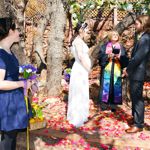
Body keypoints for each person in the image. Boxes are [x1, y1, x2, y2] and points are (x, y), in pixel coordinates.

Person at [0, 17, 32, 150]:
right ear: (10, 31)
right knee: (7, 142)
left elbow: (10, 76)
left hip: (13, 101)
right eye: (17, 29)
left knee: (12, 138)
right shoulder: (1, 55)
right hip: (7, 104)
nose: (19, 32)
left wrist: (26, 80)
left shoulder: (9, 52)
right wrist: (21, 84)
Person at [123, 15, 150, 133]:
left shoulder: (145, 39)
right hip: (136, 71)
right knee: (134, 95)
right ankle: (136, 118)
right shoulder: (143, 37)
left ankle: (138, 124)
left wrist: (128, 69)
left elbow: (138, 57)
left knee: (137, 98)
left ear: (143, 24)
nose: (135, 25)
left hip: (138, 71)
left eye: (137, 23)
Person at [67, 22, 91, 127]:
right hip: (80, 69)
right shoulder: (78, 41)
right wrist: (88, 68)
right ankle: (77, 117)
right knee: (79, 92)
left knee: (82, 91)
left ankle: (82, 114)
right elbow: (81, 56)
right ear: (81, 30)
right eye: (86, 29)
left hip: (81, 69)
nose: (87, 31)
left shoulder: (79, 40)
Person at [98, 30, 128, 112]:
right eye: (113, 34)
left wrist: (119, 57)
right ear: (110, 36)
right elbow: (100, 57)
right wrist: (108, 56)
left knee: (115, 86)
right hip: (107, 69)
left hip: (117, 69)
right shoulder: (104, 46)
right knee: (106, 86)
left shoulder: (121, 47)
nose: (115, 35)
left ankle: (113, 105)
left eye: (117, 34)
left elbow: (125, 59)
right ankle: (104, 105)